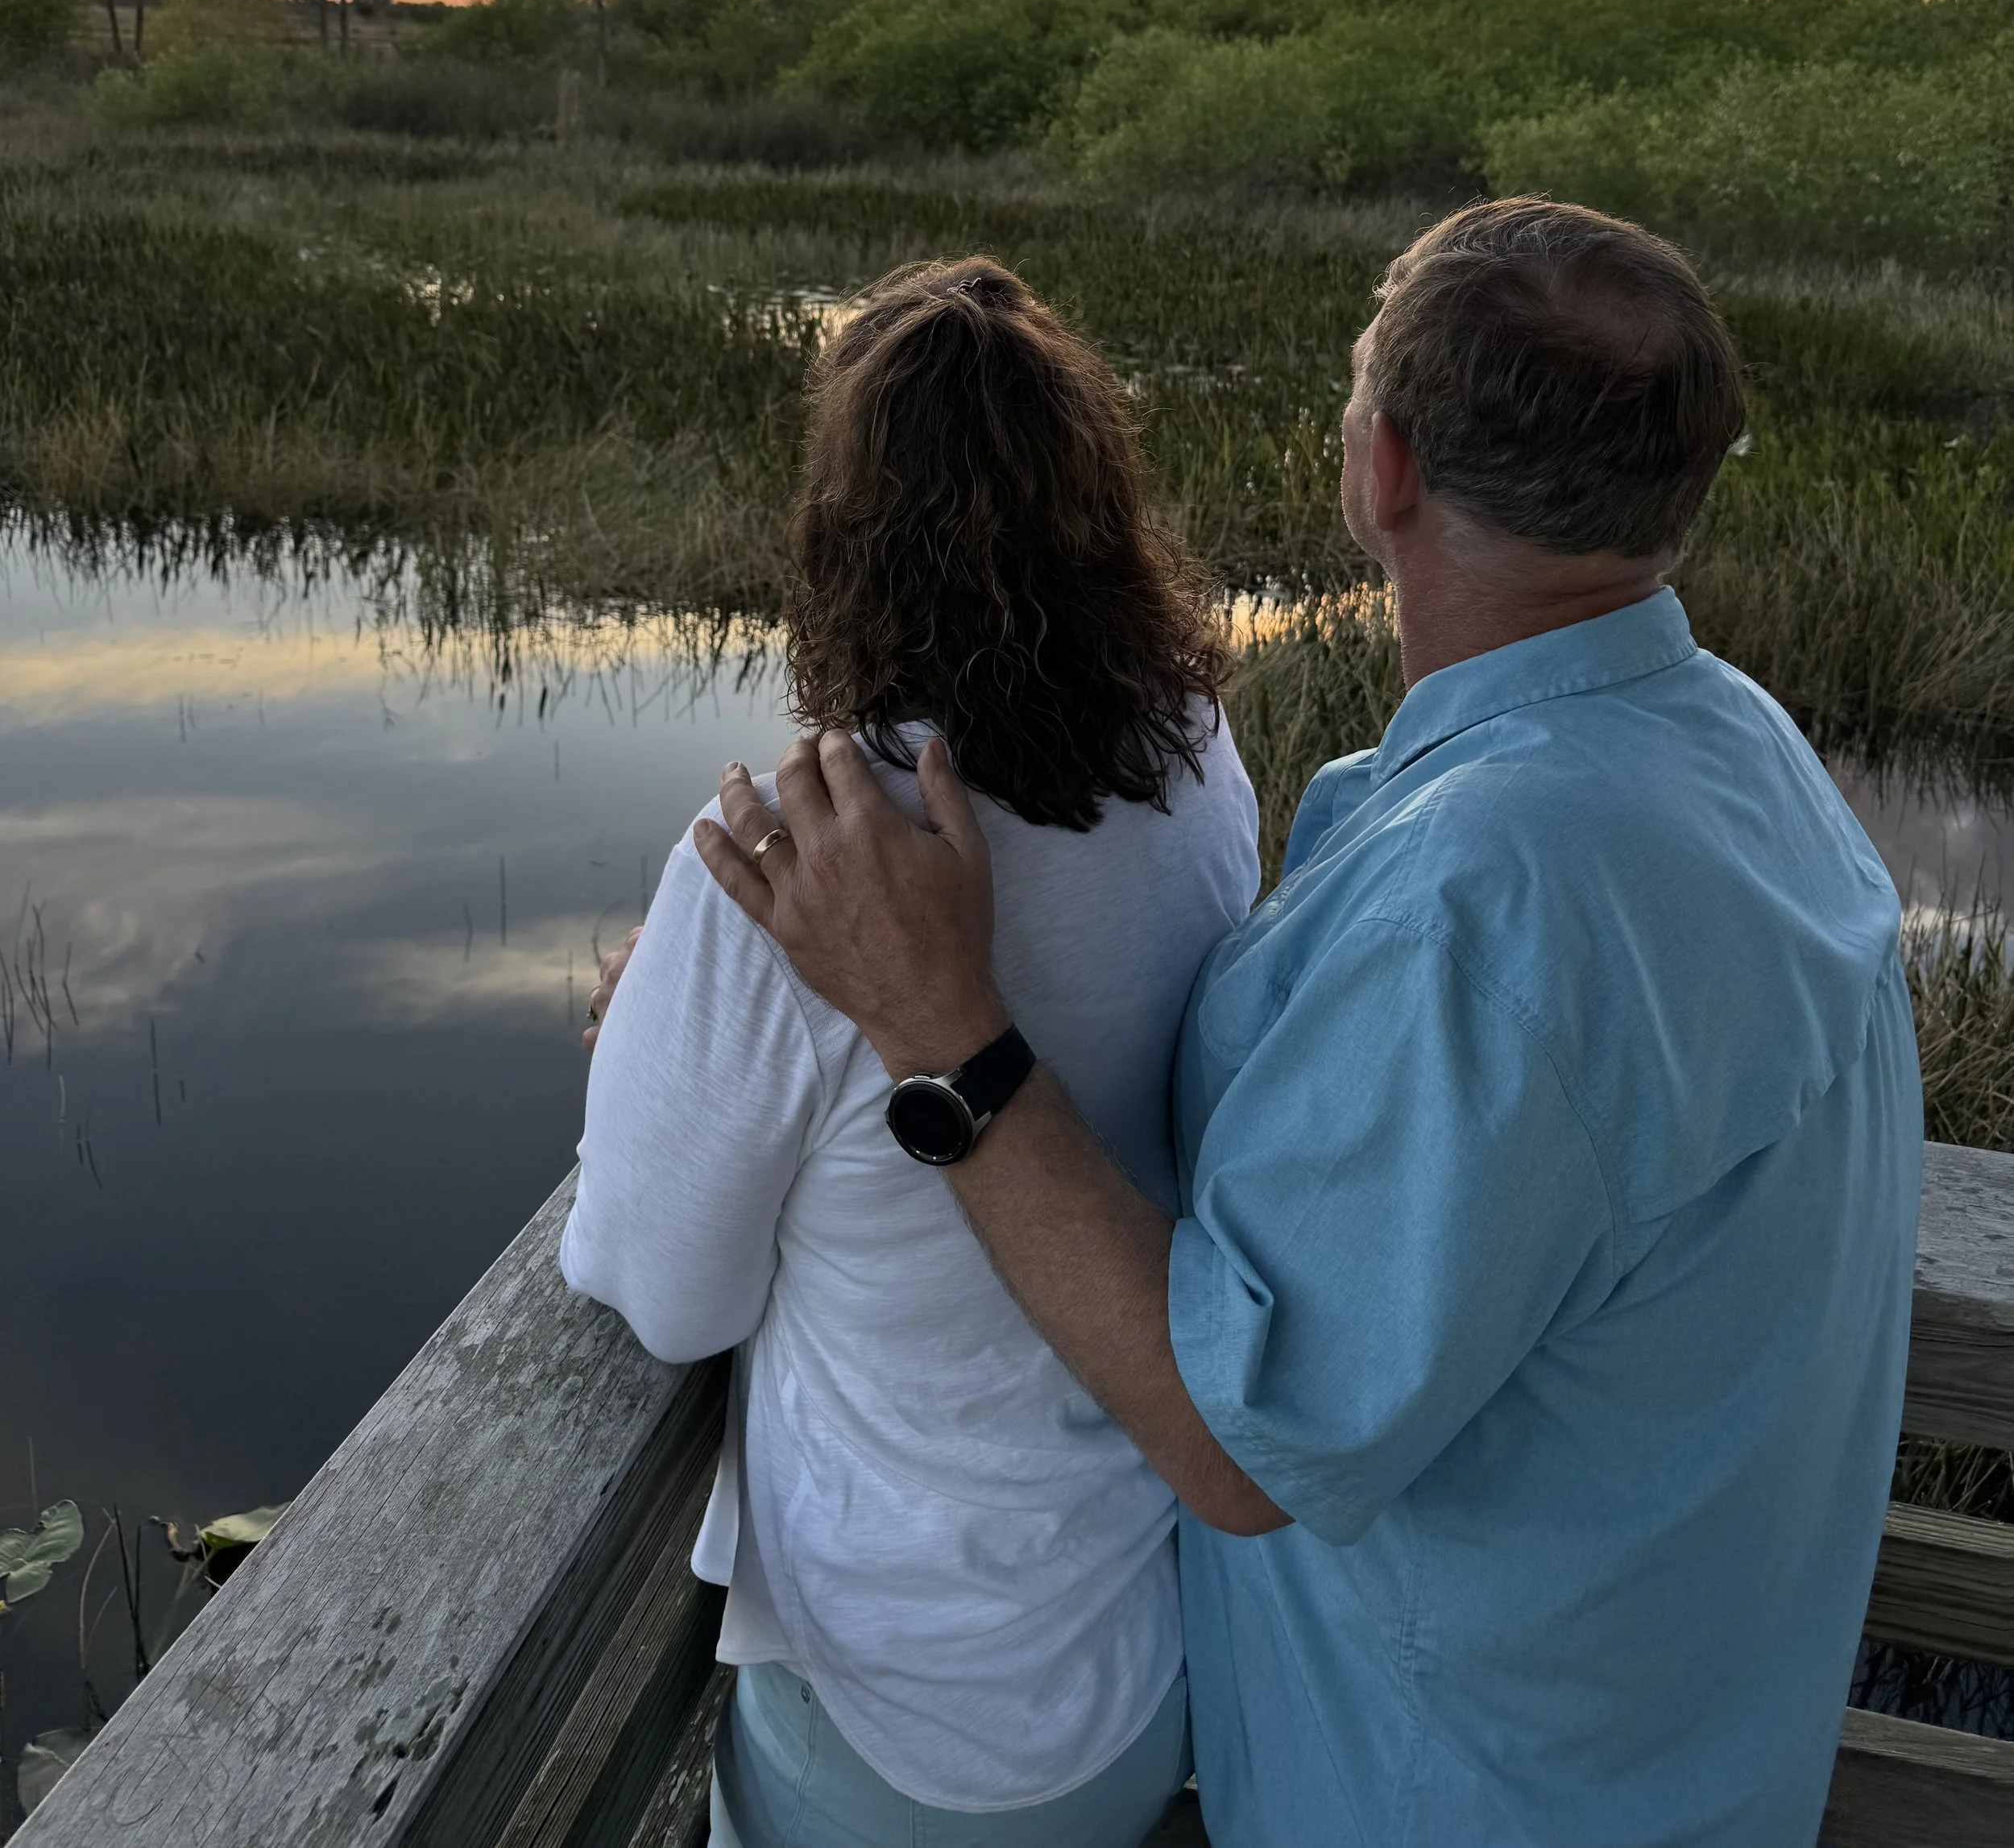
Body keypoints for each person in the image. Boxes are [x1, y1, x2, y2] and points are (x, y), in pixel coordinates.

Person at [698, 199, 1924, 1848]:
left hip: (1462, 1802)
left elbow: (1229, 1444)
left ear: (1383, 470)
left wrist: (941, 1025)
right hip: (1668, 1765)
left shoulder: (1487, 908)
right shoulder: (1734, 756)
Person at [562, 259, 1259, 1848]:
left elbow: (656, 1291)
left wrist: (649, 1032)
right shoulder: (1192, 769)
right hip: (1133, 1655)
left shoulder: (794, 873)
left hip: (901, 1712)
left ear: (840, 536)